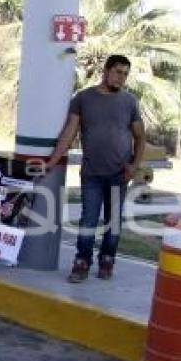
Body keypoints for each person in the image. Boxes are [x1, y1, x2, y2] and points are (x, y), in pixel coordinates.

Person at [47, 54, 145, 283]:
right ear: (106, 71)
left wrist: (134, 166)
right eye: (118, 72)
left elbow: (140, 137)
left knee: (114, 222)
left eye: (125, 74)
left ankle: (107, 261)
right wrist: (52, 161)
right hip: (91, 173)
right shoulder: (83, 98)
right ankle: (82, 262)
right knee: (88, 220)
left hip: (119, 173)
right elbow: (69, 132)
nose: (122, 78)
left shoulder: (130, 102)